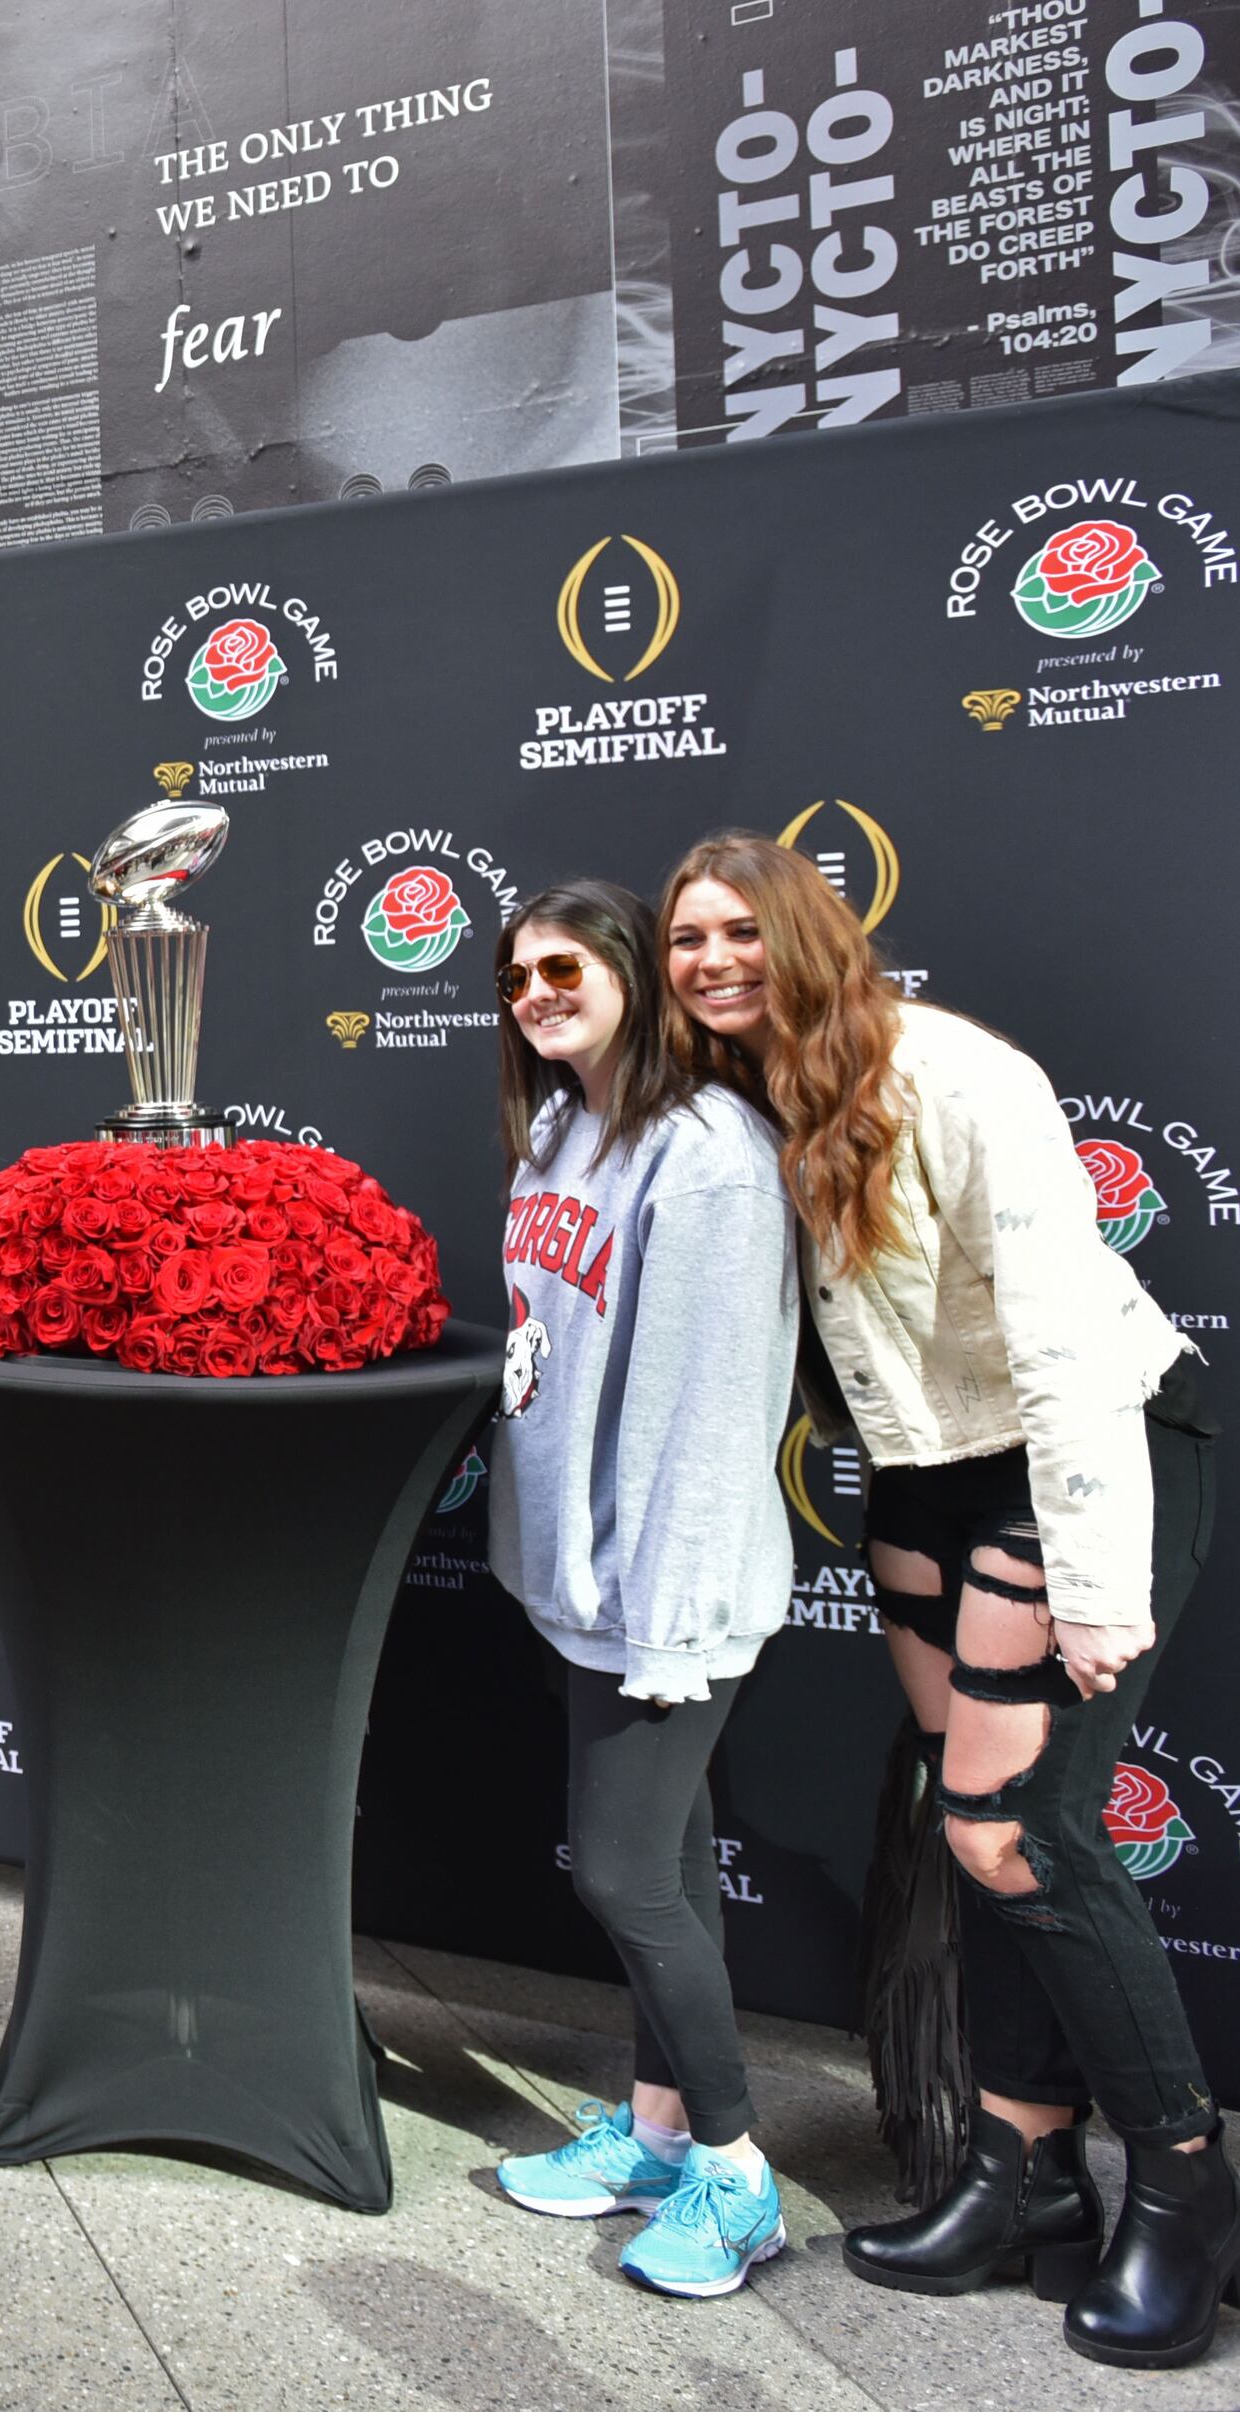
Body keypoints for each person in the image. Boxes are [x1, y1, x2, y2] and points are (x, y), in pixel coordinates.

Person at [660, 835, 1240, 2369]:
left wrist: (1100, 1580)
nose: (712, 959)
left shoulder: (958, 1074)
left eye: (739, 930)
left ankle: (1186, 2188)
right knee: (964, 1829)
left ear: (808, 934)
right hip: (922, 1476)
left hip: (1077, 1456)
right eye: (686, 940)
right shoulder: (753, 1099)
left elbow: (1057, 1345)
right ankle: (1024, 2172)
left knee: (1018, 1831)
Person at [474, 881, 798, 2299]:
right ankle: (662, 2136)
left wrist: (659, 1618)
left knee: (620, 1873)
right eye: (516, 975)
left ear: (628, 973)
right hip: (583, 1574)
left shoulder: (707, 1150)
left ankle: (736, 2178)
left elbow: (711, 1407)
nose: (537, 991)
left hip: (670, 1588)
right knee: (666, 1866)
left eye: (565, 965)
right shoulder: (560, 1126)